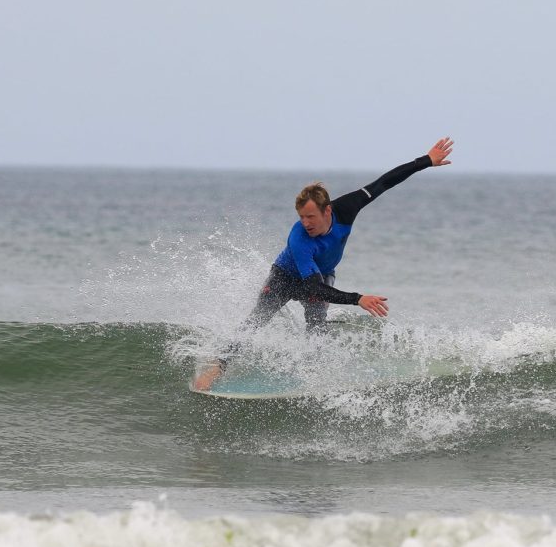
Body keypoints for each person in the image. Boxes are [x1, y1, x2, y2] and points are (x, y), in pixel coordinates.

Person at [192, 137, 454, 391]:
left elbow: (384, 182)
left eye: (310, 216)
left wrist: (426, 161)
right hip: (285, 276)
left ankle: (313, 376)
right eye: (301, 217)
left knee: (316, 327)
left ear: (327, 210)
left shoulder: (347, 207)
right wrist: (358, 298)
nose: (306, 223)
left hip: (323, 275)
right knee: (256, 321)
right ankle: (217, 368)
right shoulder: (300, 239)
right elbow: (313, 288)